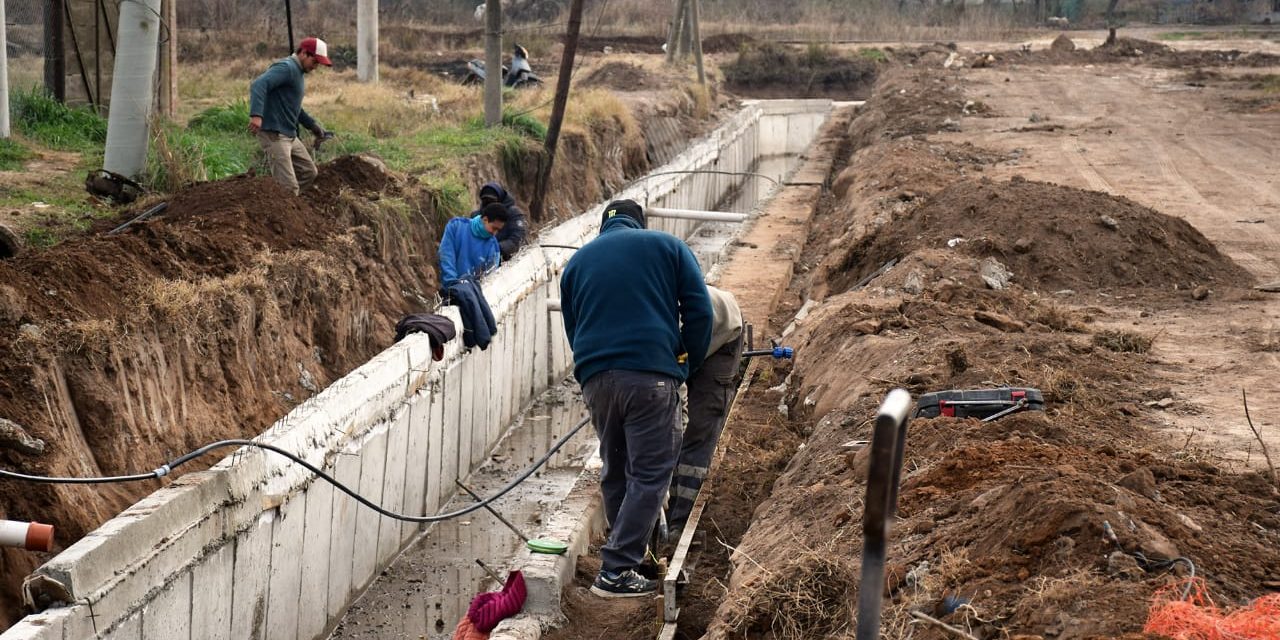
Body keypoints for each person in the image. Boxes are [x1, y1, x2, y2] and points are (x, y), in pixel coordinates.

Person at [559, 199, 713, 598]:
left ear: (603, 227)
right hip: (650, 376)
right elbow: (700, 312)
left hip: (596, 380)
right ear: (639, 223)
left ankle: (633, 555)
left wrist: (595, 370)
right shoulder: (667, 247)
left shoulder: (576, 265)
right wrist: (686, 364)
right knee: (649, 473)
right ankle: (615, 570)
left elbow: (574, 330)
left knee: (616, 469)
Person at [666, 285, 744, 536]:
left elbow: (675, 378)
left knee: (699, 426)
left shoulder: (663, 322)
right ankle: (669, 508)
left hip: (721, 335)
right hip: (688, 338)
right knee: (670, 425)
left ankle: (681, 519)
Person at [249, 37, 332, 195]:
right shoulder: (287, 67)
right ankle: (281, 205)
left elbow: (293, 107)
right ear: (303, 53)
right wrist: (256, 115)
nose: (315, 67)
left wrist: (312, 125)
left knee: (309, 173)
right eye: (314, 62)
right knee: (288, 188)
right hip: (274, 133)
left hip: (289, 135)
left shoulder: (297, 72)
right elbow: (259, 84)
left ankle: (285, 204)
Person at [439, 203, 508, 287]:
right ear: (485, 220)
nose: (495, 233)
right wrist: (452, 284)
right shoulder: (455, 226)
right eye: (494, 228)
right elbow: (446, 256)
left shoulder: (493, 247)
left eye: (498, 230)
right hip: (450, 288)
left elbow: (490, 279)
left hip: (472, 295)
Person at [477, 182, 529, 260]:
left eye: (492, 200)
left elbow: (518, 239)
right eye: (485, 200)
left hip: (511, 259)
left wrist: (494, 248)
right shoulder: (478, 216)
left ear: (500, 198)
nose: (489, 203)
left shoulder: (513, 213)